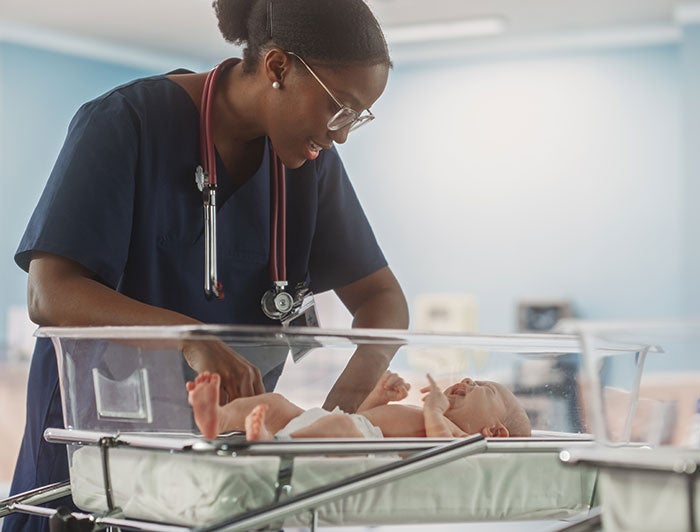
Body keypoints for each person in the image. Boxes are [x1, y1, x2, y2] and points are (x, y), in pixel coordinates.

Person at [5, 1, 408, 530]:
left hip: (223, 472)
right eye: (339, 108)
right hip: (100, 456)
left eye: (357, 116)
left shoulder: (309, 166)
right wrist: (189, 337)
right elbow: (50, 294)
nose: (342, 133)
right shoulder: (126, 122)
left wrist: (339, 418)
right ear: (278, 67)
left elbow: (383, 300)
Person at [187, 371, 532, 440]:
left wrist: (434, 410)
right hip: (340, 423)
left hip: (349, 440)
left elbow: (438, 445)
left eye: (485, 389)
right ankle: (219, 417)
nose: (470, 381)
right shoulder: (430, 416)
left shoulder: (460, 442)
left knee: (338, 429)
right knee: (276, 403)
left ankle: (271, 445)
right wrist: (378, 396)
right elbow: (363, 418)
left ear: (495, 432)